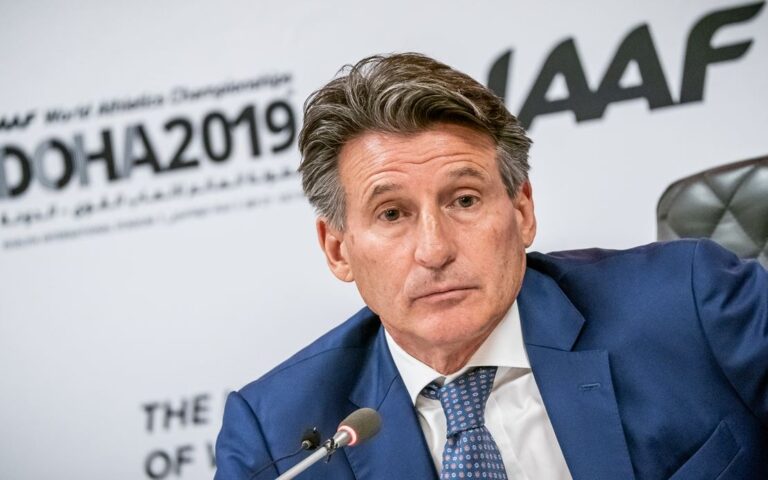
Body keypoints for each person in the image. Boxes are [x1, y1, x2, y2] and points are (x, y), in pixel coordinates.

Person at [214, 53, 767, 480]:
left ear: (522, 211)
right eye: (392, 213)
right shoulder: (277, 436)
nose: (435, 251)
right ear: (338, 250)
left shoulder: (691, 305)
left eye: (464, 200)